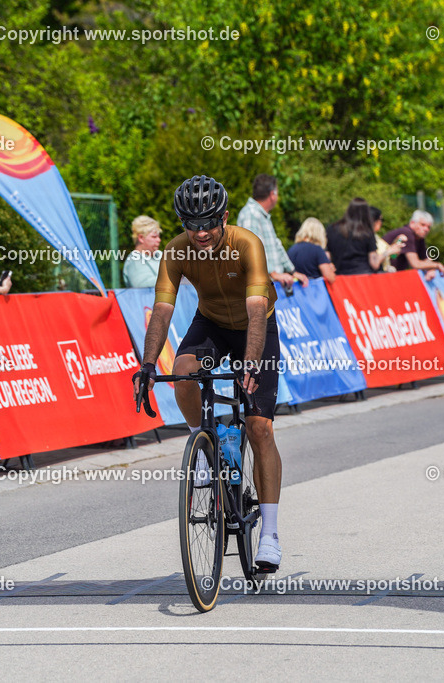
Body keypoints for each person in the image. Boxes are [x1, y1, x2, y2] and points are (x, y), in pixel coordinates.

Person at [133, 175, 286, 571]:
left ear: (225, 216)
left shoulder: (246, 243)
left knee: (260, 428)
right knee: (183, 370)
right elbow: (162, 310)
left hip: (256, 326)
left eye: (208, 223)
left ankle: (269, 533)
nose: (200, 233)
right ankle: (202, 445)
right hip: (213, 323)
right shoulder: (176, 250)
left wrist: (250, 363)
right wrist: (148, 364)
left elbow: (255, 309)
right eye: (191, 224)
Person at [237, 173, 307, 289]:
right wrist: (273, 274)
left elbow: (276, 245)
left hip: (271, 284)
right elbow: (251, 250)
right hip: (260, 287)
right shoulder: (251, 214)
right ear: (272, 194)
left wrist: (292, 271)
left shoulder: (262, 215)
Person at [325, 198, 385, 275]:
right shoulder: (367, 232)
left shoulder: (332, 229)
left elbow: (327, 255)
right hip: (363, 276)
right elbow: (374, 264)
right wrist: (387, 253)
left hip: (340, 276)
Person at [383, 210, 444, 279]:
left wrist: (431, 269)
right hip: (382, 274)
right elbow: (415, 264)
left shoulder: (419, 237)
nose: (426, 229)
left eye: (428, 227)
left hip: (392, 275)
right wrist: (437, 265)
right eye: (422, 225)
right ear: (412, 223)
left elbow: (425, 259)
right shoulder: (407, 233)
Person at [287, 217, 336, 284]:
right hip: (313, 290)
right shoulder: (317, 250)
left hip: (296, 290)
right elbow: (330, 278)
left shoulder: (292, 249)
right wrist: (330, 269)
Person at [123, 215, 162, 287]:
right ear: (141, 238)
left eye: (159, 236)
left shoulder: (160, 255)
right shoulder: (134, 260)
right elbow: (141, 284)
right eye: (154, 237)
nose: (159, 240)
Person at [370, 206, 405, 272]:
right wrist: (389, 251)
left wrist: (397, 242)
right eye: (381, 220)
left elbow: (393, 256)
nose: (381, 223)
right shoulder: (367, 238)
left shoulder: (376, 237)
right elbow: (374, 261)